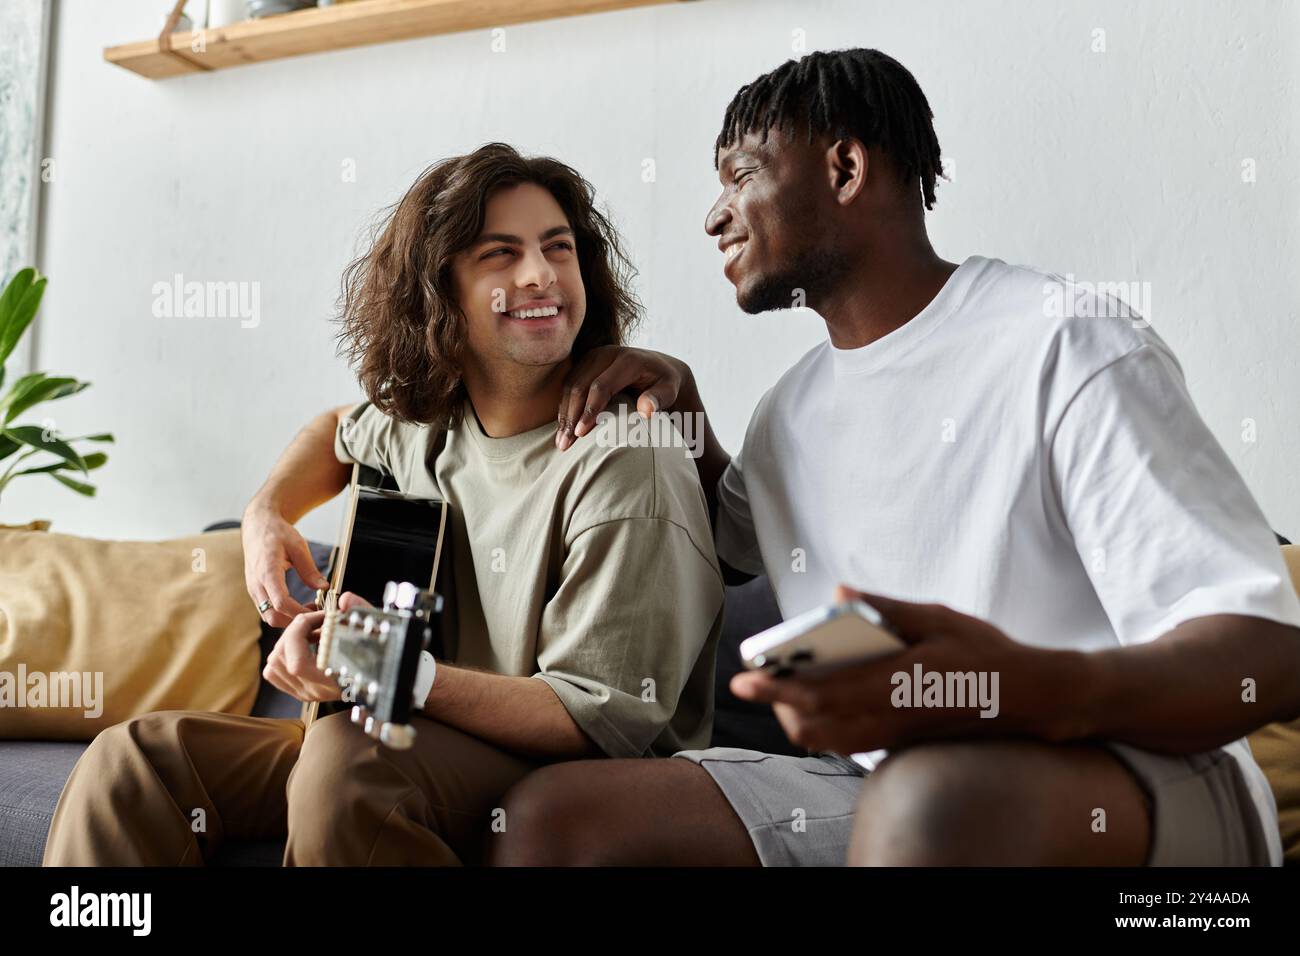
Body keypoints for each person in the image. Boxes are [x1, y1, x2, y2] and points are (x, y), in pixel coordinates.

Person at [486, 49, 1300, 866]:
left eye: (740, 177)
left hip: (1139, 775)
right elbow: (732, 551)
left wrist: (1013, 686)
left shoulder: (1069, 345)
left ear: (844, 167)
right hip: (881, 789)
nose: (714, 216)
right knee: (552, 820)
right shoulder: (792, 410)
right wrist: (682, 411)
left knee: (930, 802)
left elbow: (1265, 660)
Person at [42, 143, 723, 867]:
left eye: (559, 249)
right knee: (136, 762)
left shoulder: (628, 460)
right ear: (439, 292)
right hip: (406, 739)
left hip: (575, 779)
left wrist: (389, 668)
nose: (542, 275)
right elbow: (335, 434)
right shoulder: (432, 422)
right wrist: (266, 512)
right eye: (502, 253)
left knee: (347, 764)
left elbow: (598, 717)